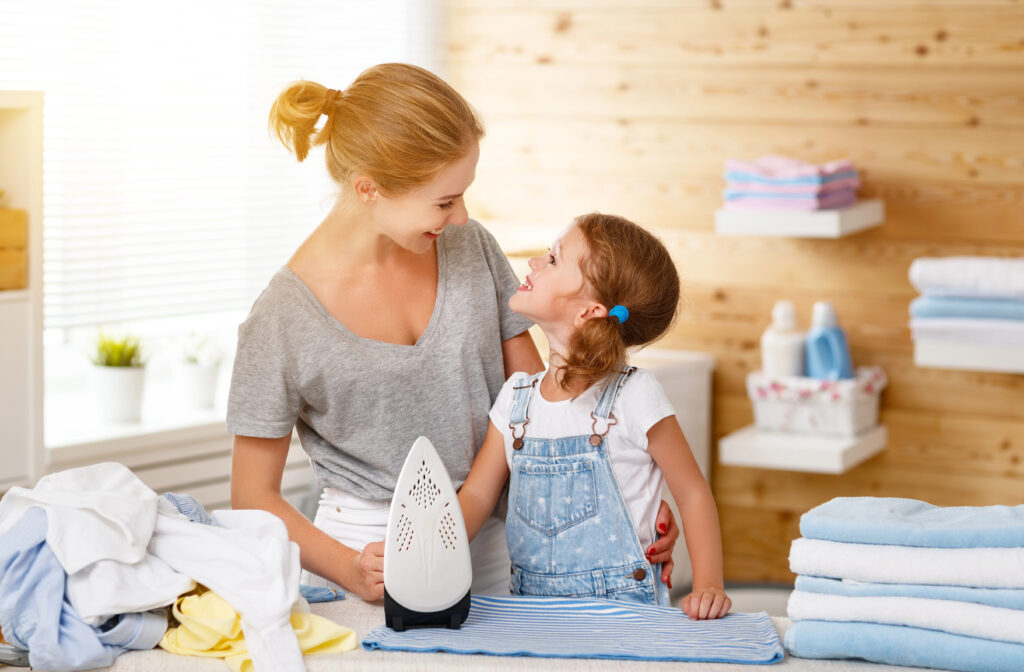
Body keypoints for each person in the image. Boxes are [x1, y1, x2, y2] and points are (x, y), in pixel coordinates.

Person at [226, 63, 681, 602]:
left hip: (499, 549)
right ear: (368, 189)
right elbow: (252, 496)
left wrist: (625, 500)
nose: (462, 217)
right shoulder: (281, 320)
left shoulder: (470, 250)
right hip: (363, 559)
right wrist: (350, 569)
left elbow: (544, 413)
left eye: (462, 194)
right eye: (444, 201)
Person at [457, 212, 731, 619]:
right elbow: (478, 496)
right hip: (532, 620)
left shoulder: (635, 394)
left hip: (629, 621)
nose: (534, 262)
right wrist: (424, 550)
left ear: (588, 310)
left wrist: (709, 585)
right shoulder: (515, 399)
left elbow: (691, 491)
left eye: (552, 259)